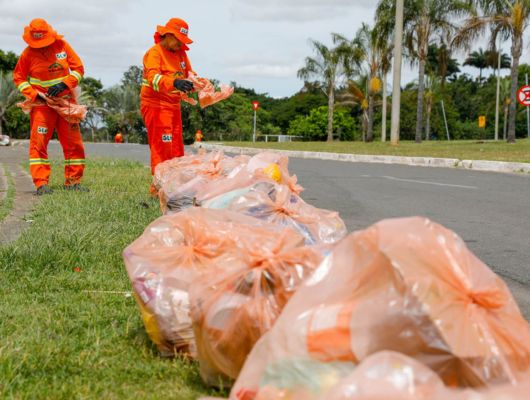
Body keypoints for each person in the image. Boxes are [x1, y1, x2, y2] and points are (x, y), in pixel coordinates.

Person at [13, 18, 88, 195]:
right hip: (42, 105)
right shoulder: (27, 54)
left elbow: (78, 69)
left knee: (73, 143)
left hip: (66, 103)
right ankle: (41, 184)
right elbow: (19, 78)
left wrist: (65, 84)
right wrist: (34, 94)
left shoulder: (62, 46)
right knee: (38, 144)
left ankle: (73, 182)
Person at [140, 18, 195, 193]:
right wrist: (175, 83)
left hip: (173, 106)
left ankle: (174, 188)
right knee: (162, 147)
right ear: (168, 35)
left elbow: (190, 74)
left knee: (177, 148)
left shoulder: (181, 54)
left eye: (182, 41)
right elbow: (153, 79)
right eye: (178, 39)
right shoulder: (154, 53)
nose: (180, 44)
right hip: (156, 105)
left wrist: (198, 84)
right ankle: (158, 190)